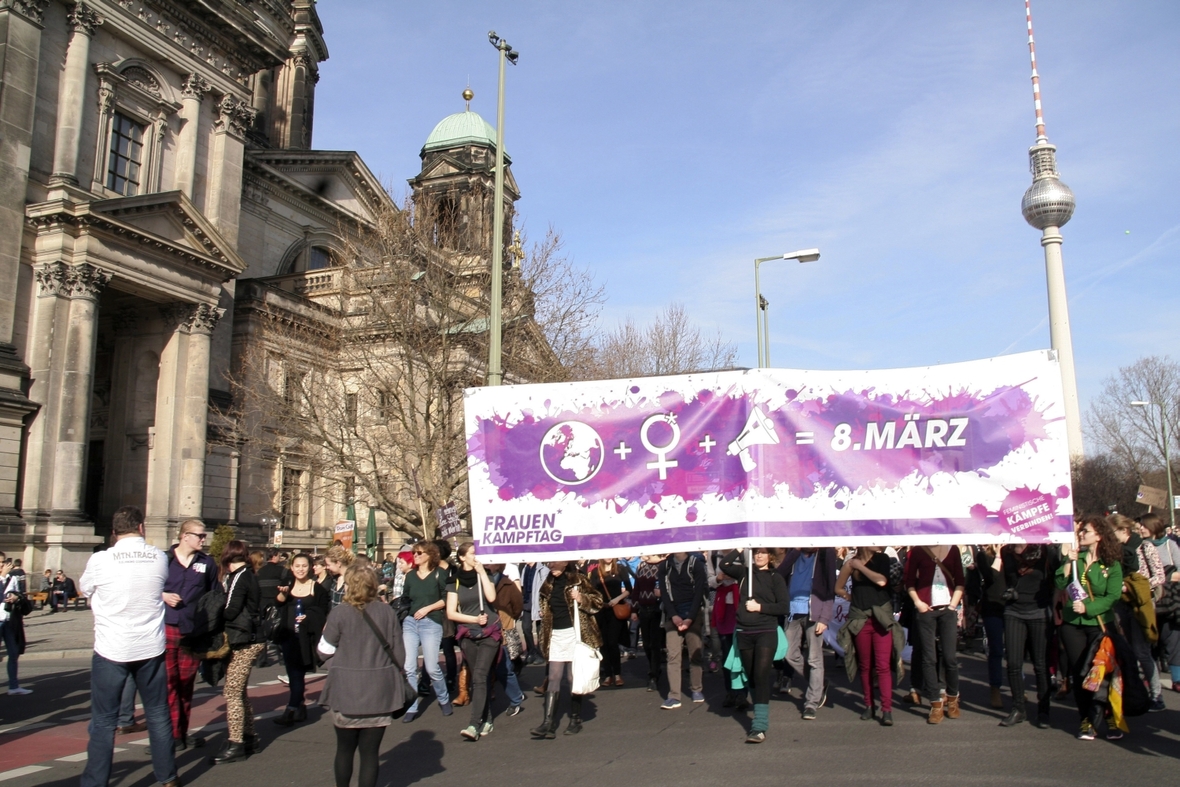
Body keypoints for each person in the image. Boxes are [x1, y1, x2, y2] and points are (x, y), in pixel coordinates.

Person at [77, 506, 178, 787]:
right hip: (150, 648)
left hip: (112, 648)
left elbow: (84, 589)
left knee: (104, 721)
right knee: (157, 714)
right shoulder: (159, 557)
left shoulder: (100, 560)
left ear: (114, 532)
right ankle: (168, 776)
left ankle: (95, 782)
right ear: (142, 528)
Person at [317, 564, 405, 787]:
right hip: (379, 691)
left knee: (344, 749)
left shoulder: (339, 613)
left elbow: (323, 651)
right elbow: (400, 655)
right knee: (370, 754)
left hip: (346, 689)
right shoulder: (387, 612)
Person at [1056, 515, 1124, 740]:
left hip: (1098, 624)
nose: (1082, 534)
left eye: (1086, 531)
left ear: (1099, 536)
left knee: (1101, 672)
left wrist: (1089, 609)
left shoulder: (1111, 563)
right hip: (1072, 624)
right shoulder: (1078, 558)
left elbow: (1113, 596)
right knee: (1080, 672)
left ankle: (1109, 716)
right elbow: (1059, 583)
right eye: (1081, 531)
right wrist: (1068, 561)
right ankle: (1086, 719)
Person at [719, 549, 790, 743]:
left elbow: (784, 606)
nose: (759, 556)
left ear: (771, 557)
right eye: (756, 553)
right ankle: (758, 706)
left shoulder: (776, 577)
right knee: (750, 676)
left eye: (763, 553)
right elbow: (724, 565)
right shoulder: (744, 573)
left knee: (761, 675)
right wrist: (739, 549)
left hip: (766, 631)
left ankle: (759, 725)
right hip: (744, 631)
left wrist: (760, 607)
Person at [162, 519, 218, 750]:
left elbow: (215, 596)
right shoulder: (163, 560)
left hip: (192, 631)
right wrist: (163, 595)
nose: (204, 540)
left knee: (185, 683)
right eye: (200, 536)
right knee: (167, 684)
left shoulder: (207, 563)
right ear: (185, 536)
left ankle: (180, 733)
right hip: (165, 627)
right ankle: (168, 735)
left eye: (204, 536)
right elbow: (146, 589)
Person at [531, 561, 603, 738]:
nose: (551, 566)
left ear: (564, 563)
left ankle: (575, 719)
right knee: (554, 676)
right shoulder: (547, 583)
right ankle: (548, 723)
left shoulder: (578, 580)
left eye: (555, 563)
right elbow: (545, 606)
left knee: (572, 676)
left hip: (575, 633)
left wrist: (581, 599)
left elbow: (598, 601)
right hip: (555, 634)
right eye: (549, 563)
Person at [836, 547, 902, 726]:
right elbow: (838, 587)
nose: (878, 542)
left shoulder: (882, 559)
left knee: (883, 666)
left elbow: (881, 581)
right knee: (865, 666)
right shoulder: (851, 562)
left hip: (881, 618)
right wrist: (849, 597)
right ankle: (868, 704)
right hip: (860, 618)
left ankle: (886, 709)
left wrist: (861, 567)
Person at [211, 540, 264, 764]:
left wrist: (214, 613)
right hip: (251, 637)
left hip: (245, 639)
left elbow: (231, 609)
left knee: (232, 691)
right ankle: (249, 735)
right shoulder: (248, 574)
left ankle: (236, 743)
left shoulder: (239, 577)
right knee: (239, 690)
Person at [997, 541, 1057, 728]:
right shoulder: (1006, 551)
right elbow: (1004, 579)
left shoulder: (1044, 550)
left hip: (1039, 611)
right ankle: (1018, 708)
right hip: (1014, 611)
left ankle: (1044, 710)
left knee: (1040, 664)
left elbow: (1058, 576)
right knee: (1014, 663)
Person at [1109, 515, 1166, 712]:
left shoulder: (1144, 547)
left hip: (1141, 602)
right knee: (1126, 648)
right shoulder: (1114, 551)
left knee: (1142, 650)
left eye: (1113, 533)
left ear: (1124, 531)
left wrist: (1136, 587)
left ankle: (1156, 695)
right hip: (1120, 603)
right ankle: (1133, 692)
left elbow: (1159, 575)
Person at [905, 544, 966, 724]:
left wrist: (953, 606)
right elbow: (909, 582)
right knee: (928, 657)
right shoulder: (918, 551)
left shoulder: (953, 549)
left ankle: (953, 698)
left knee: (949, 657)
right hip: (926, 610)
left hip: (947, 609)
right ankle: (935, 704)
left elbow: (960, 581)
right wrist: (918, 603)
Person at [446, 542, 500, 740]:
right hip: (468, 633)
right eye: (472, 553)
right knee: (480, 678)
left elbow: (491, 597)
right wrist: (473, 620)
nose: (476, 556)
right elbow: (451, 612)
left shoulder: (485, 574)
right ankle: (487, 718)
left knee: (479, 676)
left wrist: (483, 573)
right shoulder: (454, 581)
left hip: (489, 633)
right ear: (462, 557)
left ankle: (473, 724)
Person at [778, 547, 838, 720]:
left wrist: (825, 618)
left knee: (814, 658)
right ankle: (818, 683)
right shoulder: (794, 552)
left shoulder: (826, 553)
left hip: (814, 612)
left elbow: (829, 587)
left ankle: (812, 702)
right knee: (789, 654)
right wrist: (795, 551)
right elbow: (780, 573)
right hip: (793, 611)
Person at [274, 552, 331, 727]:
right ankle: (298, 705)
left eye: (304, 566)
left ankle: (292, 708)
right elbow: (278, 605)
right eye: (297, 566)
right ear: (291, 568)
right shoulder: (287, 585)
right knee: (293, 673)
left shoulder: (317, 588)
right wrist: (282, 595)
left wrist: (308, 617)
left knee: (297, 673)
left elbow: (323, 611)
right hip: (287, 634)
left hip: (305, 638)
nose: (300, 569)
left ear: (311, 567)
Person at [400, 541, 452, 723]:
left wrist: (428, 608)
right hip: (411, 622)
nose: (415, 556)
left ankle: (444, 698)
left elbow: (447, 599)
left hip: (431, 622)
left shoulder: (440, 574)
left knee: (431, 667)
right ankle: (412, 706)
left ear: (430, 555)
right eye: (414, 553)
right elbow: (406, 597)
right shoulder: (411, 576)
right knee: (409, 667)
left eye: (419, 553)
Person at [659, 551, 708, 708]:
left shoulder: (696, 564)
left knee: (695, 653)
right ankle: (674, 695)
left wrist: (690, 617)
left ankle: (696, 688)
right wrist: (673, 615)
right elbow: (664, 593)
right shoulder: (665, 566)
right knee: (673, 655)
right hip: (672, 614)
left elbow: (700, 591)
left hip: (692, 613)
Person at [589, 557, 632, 686]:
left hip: (615, 610)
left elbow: (629, 589)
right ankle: (608, 675)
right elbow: (591, 591)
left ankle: (617, 674)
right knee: (603, 643)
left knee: (613, 642)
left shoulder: (620, 569)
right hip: (601, 611)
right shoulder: (596, 572)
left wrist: (617, 599)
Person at [1, 557, 31, 695]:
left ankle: (13, 686)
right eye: (1, 563)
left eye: (4, 562)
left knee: (13, 653)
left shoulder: (11, 578)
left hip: (9, 620)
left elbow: (19, 594)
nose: (3, 565)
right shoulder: (3, 578)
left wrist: (16, 597)